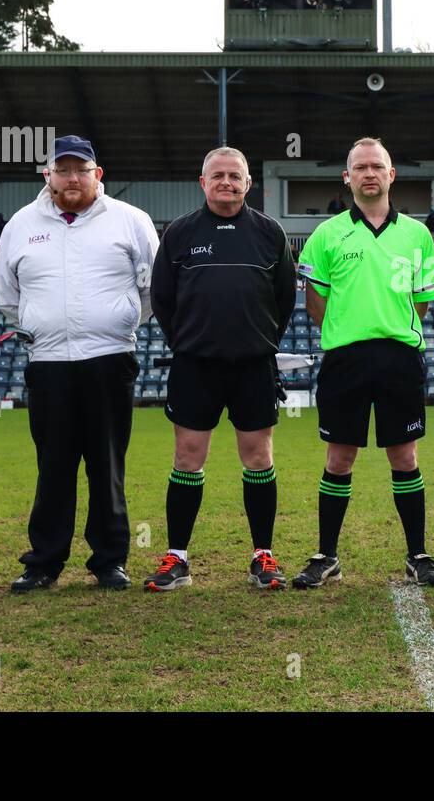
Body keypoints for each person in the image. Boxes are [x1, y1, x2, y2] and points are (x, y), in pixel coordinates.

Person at [0, 136, 158, 592]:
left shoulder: (131, 221)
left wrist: (119, 323)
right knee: (54, 465)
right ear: (48, 175)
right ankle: (44, 561)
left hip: (110, 360)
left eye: (80, 170)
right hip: (48, 363)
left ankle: (109, 561)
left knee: (106, 465)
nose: (71, 178)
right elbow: (8, 294)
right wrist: (39, 324)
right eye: (61, 170)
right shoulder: (22, 225)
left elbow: (152, 289)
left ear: (97, 175)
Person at [293, 137, 434, 588]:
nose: (369, 173)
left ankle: (417, 552)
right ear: (348, 177)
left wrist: (389, 329)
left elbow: (422, 304)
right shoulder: (327, 234)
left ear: (391, 175)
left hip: (399, 357)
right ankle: (327, 554)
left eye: (377, 166)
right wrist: (348, 331)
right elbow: (315, 303)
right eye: (360, 167)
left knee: (404, 455)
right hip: (345, 360)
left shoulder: (417, 235)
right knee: (340, 457)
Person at [144, 147, 297, 592]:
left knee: (259, 457)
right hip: (195, 365)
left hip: (253, 365)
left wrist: (258, 341)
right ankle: (178, 557)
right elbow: (163, 299)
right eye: (218, 176)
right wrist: (189, 342)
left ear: (248, 183)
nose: (226, 182)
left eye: (235, 176)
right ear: (203, 182)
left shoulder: (270, 233)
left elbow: (284, 300)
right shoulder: (180, 233)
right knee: (187, 458)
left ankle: (262, 555)